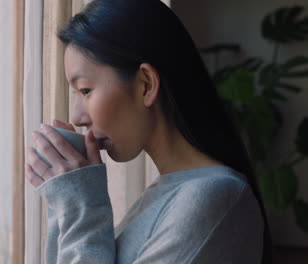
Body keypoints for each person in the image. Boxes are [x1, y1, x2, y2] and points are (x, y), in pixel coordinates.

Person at [24, 0, 272, 263]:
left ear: (146, 84)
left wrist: (81, 205)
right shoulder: (167, 195)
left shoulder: (212, 198)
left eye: (85, 90)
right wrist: (65, 200)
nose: (76, 116)